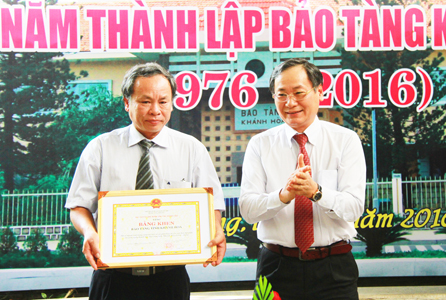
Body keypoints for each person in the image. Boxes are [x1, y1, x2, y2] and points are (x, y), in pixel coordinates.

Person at [66, 62, 226, 300]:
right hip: (113, 278)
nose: (155, 110)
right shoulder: (100, 148)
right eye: (145, 101)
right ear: (126, 103)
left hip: (170, 279)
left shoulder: (192, 149)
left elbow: (211, 203)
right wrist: (90, 232)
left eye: (163, 101)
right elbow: (78, 206)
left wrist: (217, 229)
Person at [239, 58, 366, 300]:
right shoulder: (260, 144)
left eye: (299, 93)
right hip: (276, 267)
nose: (290, 103)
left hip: (334, 269)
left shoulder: (345, 140)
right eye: (281, 95)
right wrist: (284, 196)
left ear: (319, 91)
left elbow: (353, 208)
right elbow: (248, 210)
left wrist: (316, 192)